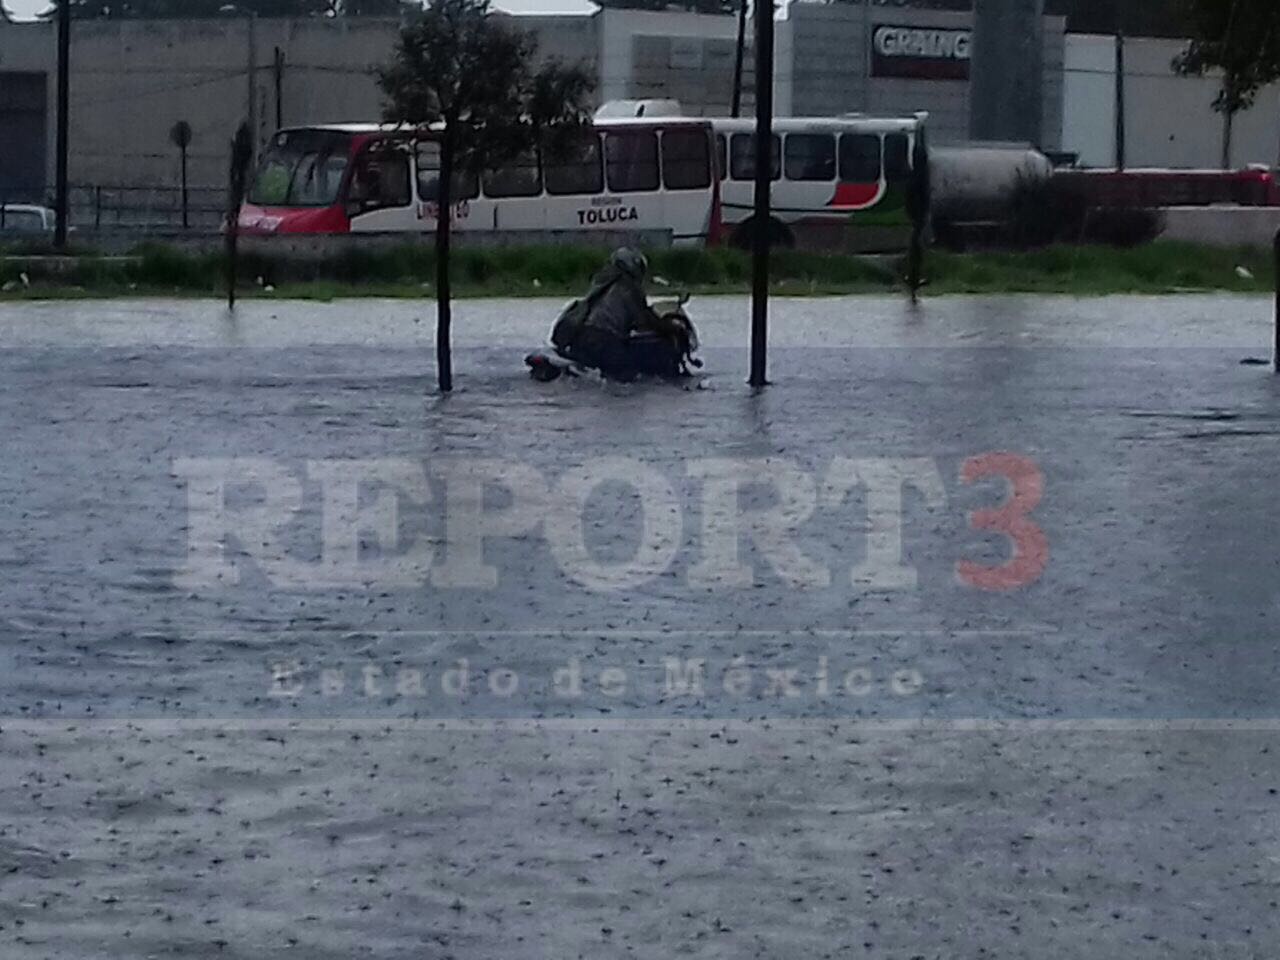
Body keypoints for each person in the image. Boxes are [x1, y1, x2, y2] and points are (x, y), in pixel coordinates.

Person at [551, 247, 661, 383]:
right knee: (630, 375)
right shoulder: (630, 288)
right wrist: (665, 326)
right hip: (604, 339)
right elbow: (643, 320)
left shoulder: (601, 282)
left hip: (581, 336)